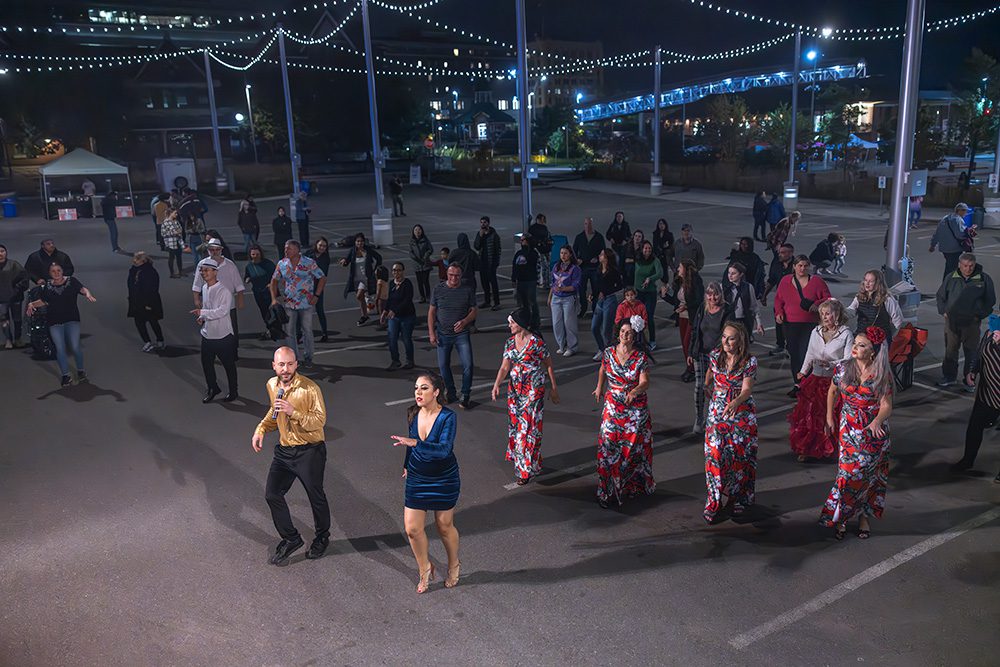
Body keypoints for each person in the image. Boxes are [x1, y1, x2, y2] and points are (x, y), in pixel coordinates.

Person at [252, 346, 331, 565]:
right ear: (274, 366)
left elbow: (319, 421)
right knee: (272, 494)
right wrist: (261, 429)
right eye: (281, 364)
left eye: (289, 364)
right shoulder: (272, 384)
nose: (285, 369)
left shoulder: (309, 389)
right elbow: (273, 411)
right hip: (285, 451)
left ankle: (322, 537)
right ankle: (291, 538)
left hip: (310, 450)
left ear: (296, 364)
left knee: (316, 496)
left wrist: (293, 412)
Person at [819, 326, 894, 540]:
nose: (855, 348)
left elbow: (887, 405)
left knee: (869, 476)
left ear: (873, 351)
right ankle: (841, 516)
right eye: (855, 344)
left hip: (873, 433)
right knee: (848, 473)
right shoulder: (843, 369)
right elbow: (832, 391)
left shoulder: (881, 374)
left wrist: (877, 420)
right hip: (849, 429)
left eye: (861, 345)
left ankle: (863, 517)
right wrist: (829, 417)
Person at [391, 372, 462, 592]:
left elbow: (443, 450)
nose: (418, 393)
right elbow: (409, 445)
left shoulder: (448, 417)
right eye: (416, 388)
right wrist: (406, 464)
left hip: (444, 477)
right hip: (417, 476)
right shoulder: (412, 412)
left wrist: (414, 443)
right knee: (412, 529)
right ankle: (425, 569)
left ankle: (453, 565)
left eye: (424, 388)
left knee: (443, 526)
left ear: (436, 392)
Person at [491, 309, 560, 485]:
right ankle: (533, 462)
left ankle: (524, 470)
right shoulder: (509, 343)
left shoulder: (537, 343)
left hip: (533, 390)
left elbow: (549, 365)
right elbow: (504, 367)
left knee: (527, 428)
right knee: (516, 427)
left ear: (520, 324)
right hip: (515, 391)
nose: (509, 325)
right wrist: (497, 384)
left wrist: (553, 387)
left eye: (512, 322)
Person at [593, 317, 655, 509]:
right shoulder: (609, 352)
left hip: (635, 409)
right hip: (612, 404)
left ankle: (630, 485)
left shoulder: (640, 357)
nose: (624, 335)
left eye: (628, 332)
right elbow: (603, 369)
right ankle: (606, 490)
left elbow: (645, 382)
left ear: (634, 335)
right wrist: (598, 388)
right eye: (622, 331)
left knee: (631, 450)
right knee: (607, 446)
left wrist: (635, 391)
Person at [703, 321, 758, 523]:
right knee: (714, 456)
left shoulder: (749, 361)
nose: (726, 341)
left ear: (740, 340)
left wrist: (735, 402)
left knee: (738, 457)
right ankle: (714, 501)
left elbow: (747, 390)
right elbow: (710, 373)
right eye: (724, 337)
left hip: (741, 412)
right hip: (717, 410)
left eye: (731, 338)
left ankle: (736, 498)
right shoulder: (715, 356)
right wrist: (707, 385)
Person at [789, 299, 853, 462]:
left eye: (828, 313)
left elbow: (848, 359)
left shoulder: (845, 333)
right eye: (822, 314)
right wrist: (803, 371)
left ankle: (834, 448)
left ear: (836, 314)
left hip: (834, 380)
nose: (825, 317)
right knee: (811, 415)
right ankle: (808, 448)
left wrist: (831, 364)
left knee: (832, 414)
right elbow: (810, 354)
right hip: (815, 378)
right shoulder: (815, 331)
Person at [26, 263, 96, 386]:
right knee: (60, 349)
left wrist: (88, 294)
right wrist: (32, 304)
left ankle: (80, 371)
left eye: (58, 270)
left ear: (62, 271)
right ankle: (65, 375)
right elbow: (43, 301)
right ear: (50, 273)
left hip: (72, 319)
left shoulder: (71, 281)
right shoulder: (47, 286)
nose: (56, 273)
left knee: (74, 347)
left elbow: (82, 289)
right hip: (54, 321)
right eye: (53, 271)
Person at [935, 253, 996, 390]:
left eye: (971, 266)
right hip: (952, 322)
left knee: (971, 352)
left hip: (971, 323)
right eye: (965, 266)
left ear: (974, 264)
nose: (968, 269)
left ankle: (969, 380)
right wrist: (943, 311)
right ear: (959, 265)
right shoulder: (951, 278)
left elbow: (990, 301)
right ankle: (949, 377)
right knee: (950, 350)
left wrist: (978, 316)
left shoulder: (984, 279)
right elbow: (940, 296)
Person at [951, 315, 1000, 482]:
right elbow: (979, 356)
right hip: (987, 392)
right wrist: (972, 371)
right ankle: (967, 460)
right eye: (995, 331)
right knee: (974, 427)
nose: (995, 334)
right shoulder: (988, 334)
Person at [774, 255, 832, 396]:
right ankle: (798, 384)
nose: (802, 268)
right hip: (790, 323)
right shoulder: (785, 281)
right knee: (794, 354)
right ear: (794, 266)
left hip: (810, 324)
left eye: (805, 265)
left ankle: (809, 384)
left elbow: (828, 298)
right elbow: (778, 299)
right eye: (799, 265)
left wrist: (816, 304)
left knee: (807, 353)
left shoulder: (817, 282)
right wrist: (779, 312)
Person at [428, 265, 477, 409]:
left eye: (457, 275)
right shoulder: (438, 289)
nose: (453, 278)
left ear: (461, 276)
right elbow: (431, 312)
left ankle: (465, 394)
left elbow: (474, 311)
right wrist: (431, 332)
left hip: (461, 334)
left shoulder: (467, 290)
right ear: (446, 274)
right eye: (451, 275)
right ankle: (451, 392)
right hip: (443, 334)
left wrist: (465, 321)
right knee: (443, 366)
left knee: (468, 365)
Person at [271, 240, 327, 366]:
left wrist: (317, 296)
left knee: (307, 330)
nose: (286, 251)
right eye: (286, 248)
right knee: (289, 332)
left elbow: (322, 277)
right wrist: (274, 298)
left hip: (306, 303)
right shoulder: (282, 264)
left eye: (289, 248)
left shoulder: (309, 263)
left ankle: (308, 357)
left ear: (297, 250)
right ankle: (294, 358)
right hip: (289, 304)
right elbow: (273, 281)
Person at [688, 282, 733, 434]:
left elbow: (727, 333)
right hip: (700, 352)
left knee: (719, 388)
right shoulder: (703, 308)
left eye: (716, 294)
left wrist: (719, 353)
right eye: (710, 294)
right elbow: (695, 330)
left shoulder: (727, 310)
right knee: (700, 385)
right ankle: (699, 417)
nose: (713, 297)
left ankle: (717, 418)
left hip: (719, 355)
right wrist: (690, 351)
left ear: (721, 294)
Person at [192, 258, 238, 403]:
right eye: (202, 270)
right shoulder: (205, 288)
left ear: (215, 272)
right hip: (207, 334)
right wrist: (203, 318)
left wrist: (203, 313)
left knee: (228, 365)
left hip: (222, 335)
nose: (203, 273)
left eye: (206, 270)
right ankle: (213, 388)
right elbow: (208, 308)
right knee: (207, 364)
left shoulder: (224, 291)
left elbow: (222, 312)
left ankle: (233, 391)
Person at [192, 238, 245, 353]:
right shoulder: (202, 264)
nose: (215, 252)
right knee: (210, 330)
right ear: (208, 250)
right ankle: (212, 351)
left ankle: (232, 353)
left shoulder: (230, 265)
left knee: (231, 330)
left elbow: (238, 284)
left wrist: (240, 300)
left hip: (228, 305)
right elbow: (197, 284)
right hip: (209, 306)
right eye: (212, 250)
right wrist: (196, 299)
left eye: (217, 249)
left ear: (221, 250)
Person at [661, 259, 703, 382]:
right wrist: (664, 295)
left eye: (680, 267)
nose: (678, 269)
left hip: (692, 317)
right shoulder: (680, 282)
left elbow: (699, 300)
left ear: (686, 268)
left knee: (687, 344)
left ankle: (693, 370)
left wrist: (686, 306)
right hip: (682, 317)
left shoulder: (696, 281)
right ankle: (690, 368)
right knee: (684, 346)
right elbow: (676, 302)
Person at [338, 233, 383, 327]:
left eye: (361, 241)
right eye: (358, 241)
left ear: (364, 242)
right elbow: (347, 260)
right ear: (355, 242)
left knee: (359, 295)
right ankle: (365, 315)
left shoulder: (368, 250)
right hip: (356, 279)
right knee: (361, 296)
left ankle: (366, 313)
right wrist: (343, 262)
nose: (360, 243)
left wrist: (376, 270)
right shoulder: (352, 251)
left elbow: (379, 258)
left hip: (366, 278)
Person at [845, 270, 904, 339]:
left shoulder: (887, 299)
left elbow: (898, 319)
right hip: (861, 336)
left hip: (878, 339)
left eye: (871, 281)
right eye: (866, 280)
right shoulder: (859, 296)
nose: (867, 283)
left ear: (878, 283)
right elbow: (852, 311)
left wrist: (889, 336)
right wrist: (840, 310)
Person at [127, 252, 164, 352]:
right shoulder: (134, 271)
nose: (134, 262)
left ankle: (160, 340)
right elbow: (131, 285)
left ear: (143, 261)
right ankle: (147, 342)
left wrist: (148, 304)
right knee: (139, 323)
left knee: (153, 322)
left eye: (136, 261)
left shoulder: (150, 272)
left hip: (148, 302)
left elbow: (152, 289)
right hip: (137, 302)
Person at [549, 245, 582, 357]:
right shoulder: (556, 266)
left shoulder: (575, 268)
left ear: (570, 254)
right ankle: (561, 345)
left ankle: (572, 347)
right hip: (556, 297)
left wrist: (564, 288)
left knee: (569, 323)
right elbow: (552, 282)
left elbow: (576, 285)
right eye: (561, 253)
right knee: (556, 323)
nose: (563, 255)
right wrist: (550, 297)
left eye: (565, 253)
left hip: (568, 298)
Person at [762, 243, 795, 357]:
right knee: (779, 322)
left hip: (794, 301)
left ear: (790, 253)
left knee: (792, 325)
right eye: (779, 252)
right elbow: (772, 280)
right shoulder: (776, 263)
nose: (779, 255)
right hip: (780, 299)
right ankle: (780, 345)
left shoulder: (797, 265)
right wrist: (764, 295)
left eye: (782, 253)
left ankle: (792, 347)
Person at [591, 248, 622, 360]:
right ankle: (602, 348)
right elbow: (597, 286)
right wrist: (593, 295)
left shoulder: (613, 271)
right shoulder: (598, 269)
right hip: (600, 301)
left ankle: (610, 352)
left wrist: (606, 292)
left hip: (609, 300)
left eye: (602, 254)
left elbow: (619, 285)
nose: (600, 256)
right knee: (594, 327)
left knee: (606, 330)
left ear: (607, 258)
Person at [385, 262, 416, 370]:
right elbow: (389, 299)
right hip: (394, 318)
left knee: (406, 338)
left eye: (398, 270)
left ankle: (410, 360)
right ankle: (395, 361)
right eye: (394, 270)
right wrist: (385, 311)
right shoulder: (391, 283)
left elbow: (407, 300)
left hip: (407, 316)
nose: (396, 272)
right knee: (392, 338)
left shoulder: (407, 284)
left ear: (403, 271)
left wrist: (394, 311)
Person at [930, 203, 974, 279]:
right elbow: (960, 234)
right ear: (960, 210)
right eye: (965, 211)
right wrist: (970, 231)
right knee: (952, 268)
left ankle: (947, 284)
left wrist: (933, 245)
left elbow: (937, 233)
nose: (966, 213)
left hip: (944, 248)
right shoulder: (958, 220)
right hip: (954, 248)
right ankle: (949, 285)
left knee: (949, 266)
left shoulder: (945, 218)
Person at [722, 261, 764, 340]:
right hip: (728, 321)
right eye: (729, 273)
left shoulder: (748, 287)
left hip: (744, 322)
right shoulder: (723, 288)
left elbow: (754, 306)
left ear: (741, 274)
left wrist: (759, 323)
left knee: (743, 344)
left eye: (733, 273)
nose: (730, 276)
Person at [573, 217, 606, 318]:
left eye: (589, 224)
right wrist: (577, 260)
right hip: (582, 268)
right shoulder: (579, 237)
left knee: (596, 289)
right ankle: (583, 308)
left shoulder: (599, 237)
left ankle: (595, 309)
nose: (588, 226)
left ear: (592, 225)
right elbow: (574, 251)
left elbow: (603, 251)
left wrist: (597, 258)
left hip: (595, 268)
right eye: (586, 224)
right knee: (581, 290)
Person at [633, 240, 663, 350]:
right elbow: (634, 275)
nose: (648, 250)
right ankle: (638, 340)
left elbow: (660, 273)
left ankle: (652, 340)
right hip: (638, 293)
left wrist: (650, 278)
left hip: (650, 293)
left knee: (649, 316)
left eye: (649, 248)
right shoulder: (638, 261)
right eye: (645, 248)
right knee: (637, 318)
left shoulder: (655, 260)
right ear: (642, 249)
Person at [244, 245, 277, 339]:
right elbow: (246, 276)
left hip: (269, 291)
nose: (255, 256)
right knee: (264, 311)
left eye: (257, 254)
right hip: (258, 292)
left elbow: (275, 275)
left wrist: (271, 284)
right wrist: (248, 279)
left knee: (272, 312)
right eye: (253, 254)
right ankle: (270, 329)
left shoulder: (268, 264)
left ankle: (274, 330)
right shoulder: (249, 266)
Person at [304, 237, 332, 342]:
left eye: (324, 246)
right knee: (303, 310)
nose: (322, 248)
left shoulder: (326, 258)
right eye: (320, 245)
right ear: (316, 245)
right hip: (306, 286)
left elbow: (323, 275)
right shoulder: (308, 254)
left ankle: (325, 333)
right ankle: (300, 334)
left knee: (320, 310)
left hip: (317, 287)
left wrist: (318, 292)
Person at [0, 245, 27, 348]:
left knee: (17, 319)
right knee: (3, 320)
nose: (0, 254)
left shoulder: (14, 265)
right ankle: (8, 339)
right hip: (1, 299)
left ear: (6, 252)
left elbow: (24, 278)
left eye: (2, 251)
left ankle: (18, 338)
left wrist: (16, 289)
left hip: (15, 297)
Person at [512, 235, 540, 331]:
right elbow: (514, 266)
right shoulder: (519, 253)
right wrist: (513, 278)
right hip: (521, 281)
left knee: (532, 302)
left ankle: (535, 322)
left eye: (523, 240)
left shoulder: (533, 253)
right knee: (522, 303)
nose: (521, 242)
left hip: (530, 280)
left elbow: (534, 265)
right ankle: (525, 321)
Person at [474, 215, 502, 311]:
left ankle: (497, 303)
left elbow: (498, 250)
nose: (482, 224)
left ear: (488, 223)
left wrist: (496, 263)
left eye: (484, 222)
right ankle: (487, 301)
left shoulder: (494, 235)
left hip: (491, 263)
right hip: (482, 263)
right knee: (484, 283)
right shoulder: (480, 234)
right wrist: (480, 237)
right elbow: (476, 246)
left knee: (493, 283)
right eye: (481, 222)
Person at [408, 224, 434, 304]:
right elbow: (410, 252)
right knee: (419, 282)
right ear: (413, 231)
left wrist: (425, 257)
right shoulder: (411, 241)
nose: (417, 231)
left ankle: (428, 296)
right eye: (415, 230)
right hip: (417, 265)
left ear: (422, 231)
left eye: (419, 229)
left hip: (425, 264)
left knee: (425, 281)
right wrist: (416, 258)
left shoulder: (425, 240)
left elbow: (430, 249)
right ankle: (422, 296)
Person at [528, 213, 554, 288]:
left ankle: (547, 282)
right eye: (542, 220)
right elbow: (533, 240)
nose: (543, 221)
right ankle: (542, 282)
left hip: (546, 249)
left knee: (547, 266)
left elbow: (548, 237)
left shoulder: (544, 228)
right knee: (543, 266)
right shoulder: (534, 229)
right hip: (539, 250)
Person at [161, 211, 185, 278]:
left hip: (178, 241)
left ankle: (180, 271)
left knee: (179, 257)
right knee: (171, 258)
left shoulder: (176, 221)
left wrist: (179, 232)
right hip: (171, 243)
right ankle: (172, 273)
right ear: (170, 213)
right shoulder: (165, 222)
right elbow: (163, 234)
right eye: (175, 213)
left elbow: (180, 229)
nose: (176, 215)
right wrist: (174, 233)